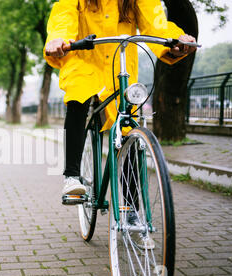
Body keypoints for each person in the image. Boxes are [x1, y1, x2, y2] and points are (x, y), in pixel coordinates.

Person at [44, 0, 197, 196]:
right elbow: (63, 17)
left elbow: (155, 22)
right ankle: (72, 176)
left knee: (128, 126)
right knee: (77, 99)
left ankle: (131, 209)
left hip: (119, 67)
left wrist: (175, 39)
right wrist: (58, 39)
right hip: (82, 61)